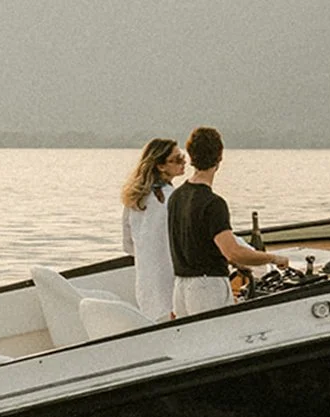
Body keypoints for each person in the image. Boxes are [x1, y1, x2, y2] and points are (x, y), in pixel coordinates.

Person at [167, 126, 290, 318]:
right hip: (207, 288)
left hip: (181, 287)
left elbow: (198, 243)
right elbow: (233, 251)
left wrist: (233, 262)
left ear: (191, 156)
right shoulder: (213, 203)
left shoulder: (176, 196)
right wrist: (273, 258)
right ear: (219, 158)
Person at [121, 137, 187, 320]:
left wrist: (149, 254)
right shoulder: (174, 198)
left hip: (146, 286)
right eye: (177, 159)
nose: (184, 162)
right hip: (171, 286)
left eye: (182, 156)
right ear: (161, 166)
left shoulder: (133, 199)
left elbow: (127, 245)